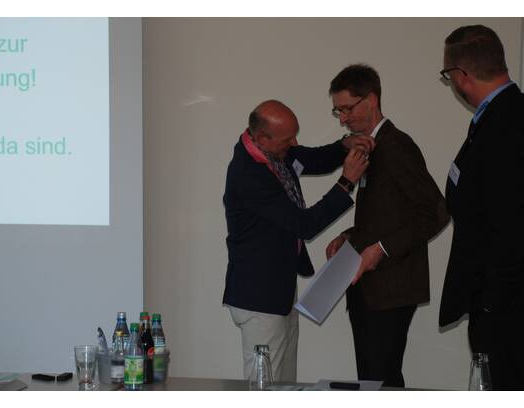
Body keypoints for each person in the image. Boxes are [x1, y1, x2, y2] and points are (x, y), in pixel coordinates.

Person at [223, 99, 373, 382]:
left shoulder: (272, 153)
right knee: (265, 386)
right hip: (260, 298)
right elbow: (305, 225)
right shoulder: (250, 174)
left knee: (284, 382)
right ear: (263, 138)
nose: (294, 143)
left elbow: (310, 159)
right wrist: (346, 182)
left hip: (278, 289)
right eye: (288, 139)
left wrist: (344, 146)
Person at [325, 64, 449, 387]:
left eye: (348, 109)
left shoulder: (396, 145)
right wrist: (349, 236)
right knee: (372, 383)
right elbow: (387, 215)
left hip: (391, 290)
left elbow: (436, 211)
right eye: (338, 111)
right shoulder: (371, 146)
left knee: (382, 383)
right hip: (370, 291)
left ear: (371, 100)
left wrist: (380, 249)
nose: (342, 119)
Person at [438, 25, 524, 390]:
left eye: (448, 75)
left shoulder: (506, 123)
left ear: (462, 75)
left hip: (506, 307)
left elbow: (511, 223)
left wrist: (491, 302)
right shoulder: (499, 115)